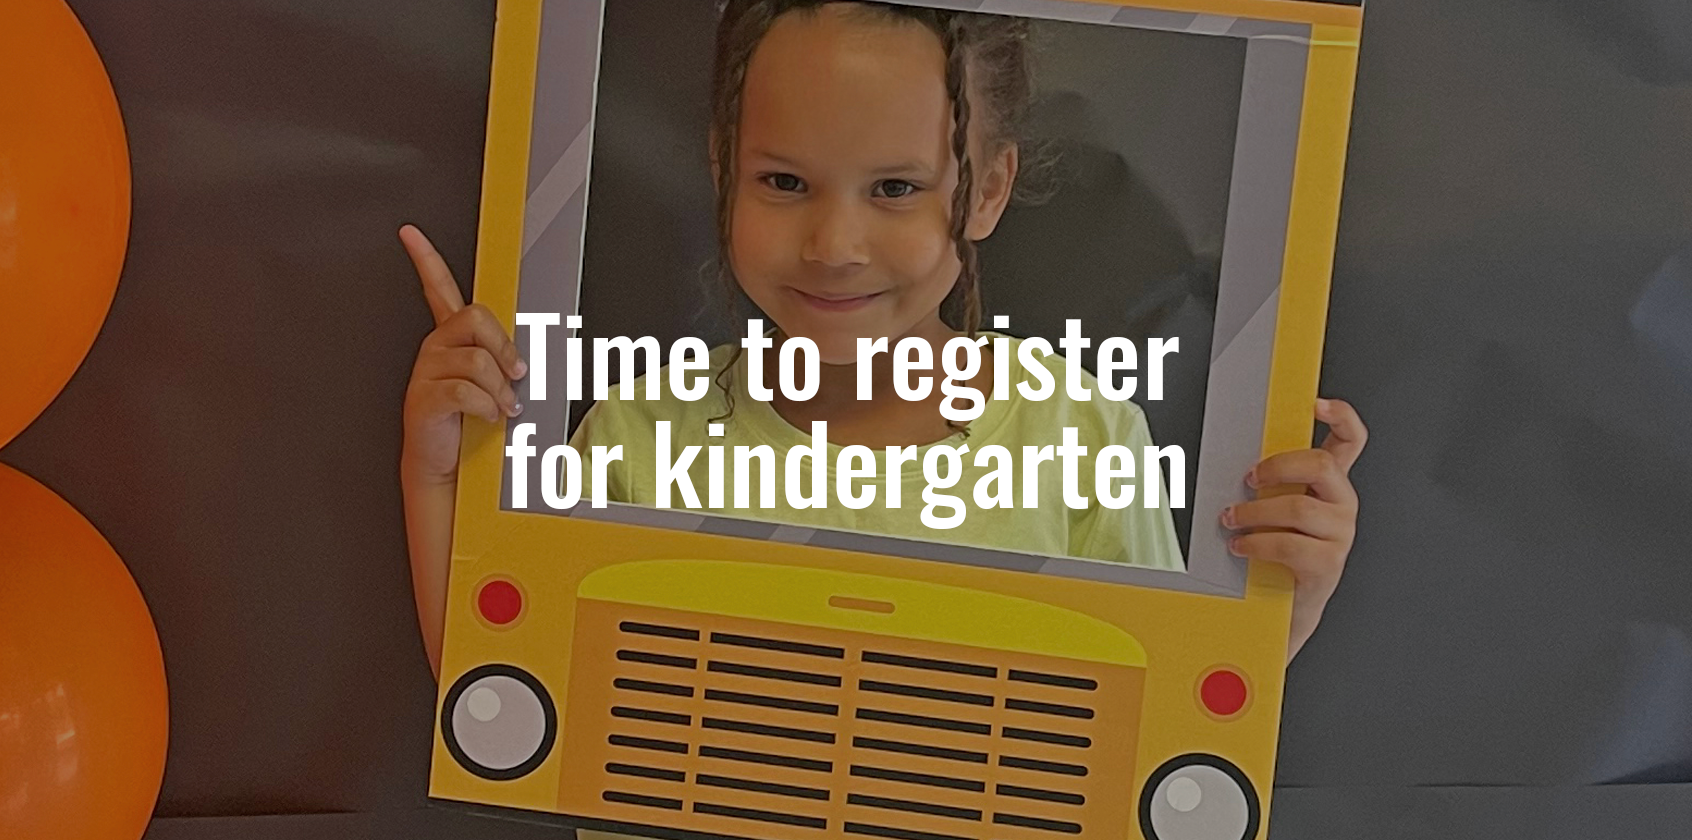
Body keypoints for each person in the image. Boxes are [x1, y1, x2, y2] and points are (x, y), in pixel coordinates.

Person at [401, 0, 1367, 700]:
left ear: (988, 191)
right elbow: (507, 694)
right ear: (723, 172)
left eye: (896, 189)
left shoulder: (1079, 433)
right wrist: (436, 475)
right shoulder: (642, 434)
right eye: (784, 182)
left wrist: (1275, 614)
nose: (834, 245)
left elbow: (1146, 718)